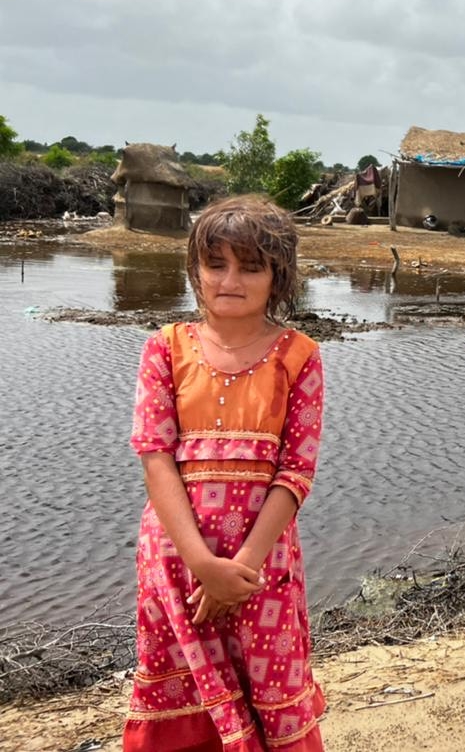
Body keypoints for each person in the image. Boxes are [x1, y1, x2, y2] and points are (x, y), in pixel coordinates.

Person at [124, 196, 326, 751]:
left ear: (277, 277)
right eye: (216, 264)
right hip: (174, 561)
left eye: (250, 266)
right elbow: (155, 457)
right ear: (195, 271)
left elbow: (295, 473)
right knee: (182, 694)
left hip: (262, 567)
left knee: (268, 687)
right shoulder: (164, 349)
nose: (230, 279)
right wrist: (200, 563)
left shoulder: (299, 356)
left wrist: (240, 567)